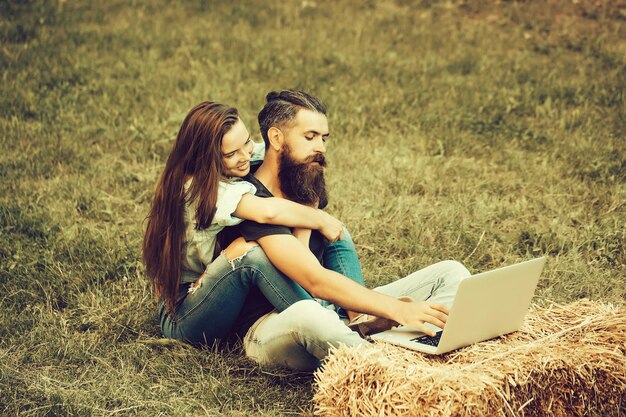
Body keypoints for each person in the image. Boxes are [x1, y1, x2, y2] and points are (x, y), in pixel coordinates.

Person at [220, 90, 472, 371]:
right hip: (273, 326)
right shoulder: (252, 200)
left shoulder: (302, 179)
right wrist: (397, 308)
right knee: (311, 315)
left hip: (331, 310)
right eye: (310, 137)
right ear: (277, 138)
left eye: (324, 138)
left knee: (453, 274)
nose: (321, 148)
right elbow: (312, 280)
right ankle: (394, 372)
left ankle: (396, 341)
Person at [143, 101, 353, 345]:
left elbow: (290, 156)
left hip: (221, 290)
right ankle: (332, 330)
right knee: (250, 255)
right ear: (206, 158)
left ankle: (358, 315)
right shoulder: (197, 188)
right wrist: (318, 218)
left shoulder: (241, 152)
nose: (245, 156)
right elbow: (268, 213)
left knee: (336, 232)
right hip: (187, 311)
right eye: (231, 154)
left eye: (246, 142)